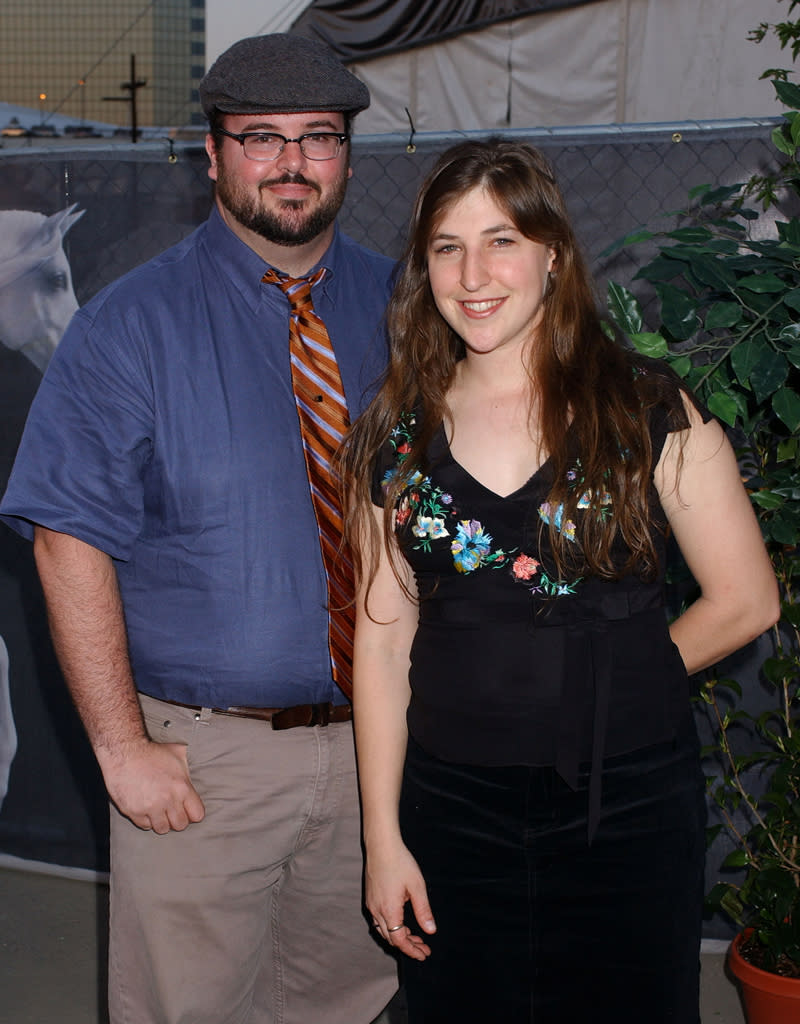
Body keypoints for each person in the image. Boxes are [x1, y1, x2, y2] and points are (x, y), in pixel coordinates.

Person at [0, 33, 398, 1024]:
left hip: (383, 748)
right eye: (260, 137)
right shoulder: (128, 326)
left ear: (347, 153)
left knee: (349, 1001)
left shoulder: (406, 307)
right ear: (211, 154)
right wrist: (122, 745)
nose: (292, 162)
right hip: (205, 764)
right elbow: (66, 540)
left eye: (318, 137)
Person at [339, 138, 780, 1023]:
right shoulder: (392, 436)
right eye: (446, 247)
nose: (474, 274)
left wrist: (606, 682)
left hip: (628, 808)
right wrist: (381, 841)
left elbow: (747, 601)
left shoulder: (647, 407)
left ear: (552, 252)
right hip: (451, 810)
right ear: (423, 268)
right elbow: (383, 645)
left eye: (501, 240)